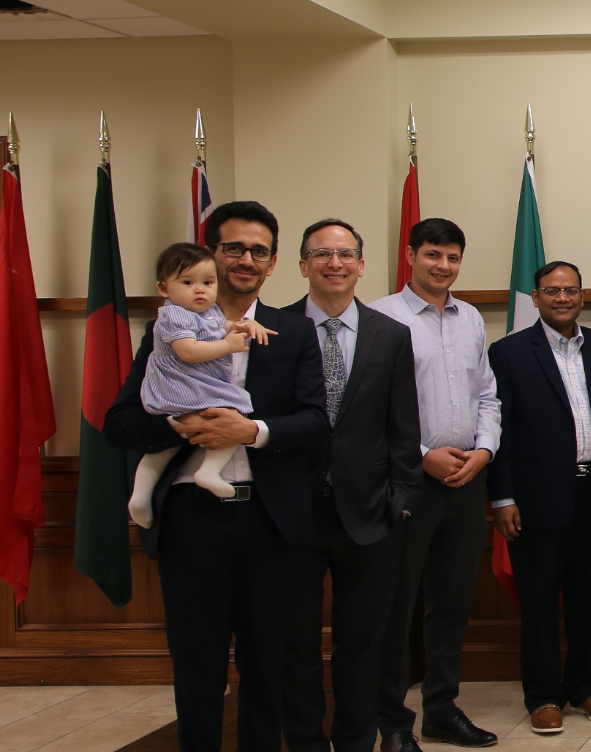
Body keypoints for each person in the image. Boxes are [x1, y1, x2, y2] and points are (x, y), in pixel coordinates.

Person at [105, 201, 330, 752]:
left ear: (274, 262)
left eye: (258, 250)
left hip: (269, 520)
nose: (245, 259)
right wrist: (184, 425)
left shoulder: (294, 332)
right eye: (233, 248)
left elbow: (315, 421)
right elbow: (121, 421)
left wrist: (248, 431)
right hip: (191, 519)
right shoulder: (167, 329)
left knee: (266, 662)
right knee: (197, 661)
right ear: (211, 253)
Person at [278, 219, 422, 752]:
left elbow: (404, 428)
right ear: (303, 265)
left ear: (361, 265)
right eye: (321, 254)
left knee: (363, 645)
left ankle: (357, 741)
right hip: (292, 515)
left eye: (345, 255)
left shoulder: (391, 334)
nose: (334, 263)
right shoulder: (277, 329)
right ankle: (305, 743)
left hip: (372, 514)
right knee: (295, 644)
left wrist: (402, 499)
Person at [370, 217, 504, 751]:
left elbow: (488, 395)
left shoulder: (470, 318)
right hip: (408, 483)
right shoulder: (381, 317)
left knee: (451, 604)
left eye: (451, 257)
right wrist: (423, 456)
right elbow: (370, 409)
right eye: (432, 255)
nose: (442, 266)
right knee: (397, 607)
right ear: (410, 255)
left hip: (467, 483)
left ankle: (442, 711)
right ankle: (393, 723)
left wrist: (484, 451)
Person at [489, 261, 591, 735]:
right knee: (540, 601)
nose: (562, 298)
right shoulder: (507, 353)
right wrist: (502, 498)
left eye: (570, 290)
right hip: (536, 496)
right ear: (535, 297)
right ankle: (543, 695)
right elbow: (498, 429)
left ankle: (588, 686)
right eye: (552, 290)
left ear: (582, 296)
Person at [126, 244, 272, 525]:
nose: (200, 290)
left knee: (181, 441)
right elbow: (189, 351)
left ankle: (147, 494)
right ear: (164, 288)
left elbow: (224, 325)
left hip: (192, 387)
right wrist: (227, 345)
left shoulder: (209, 314)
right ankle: (200, 474)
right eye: (188, 282)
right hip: (180, 386)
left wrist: (246, 326)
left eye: (208, 282)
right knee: (235, 412)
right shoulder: (173, 315)